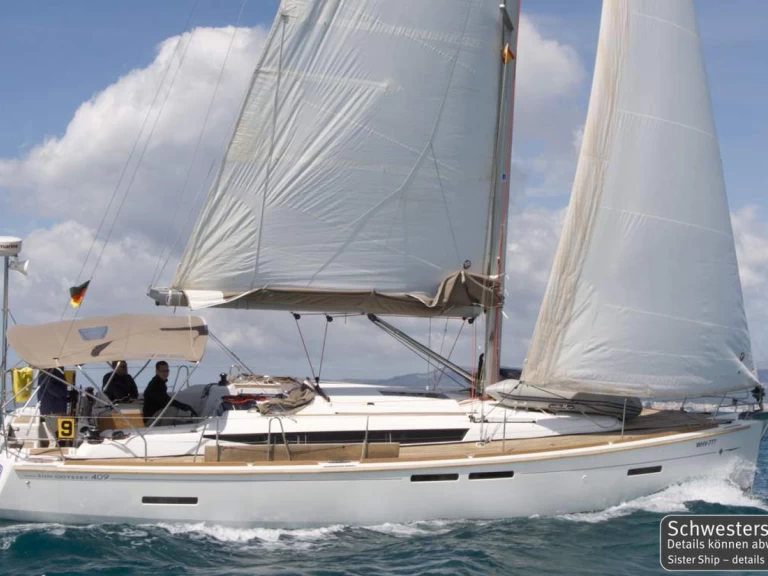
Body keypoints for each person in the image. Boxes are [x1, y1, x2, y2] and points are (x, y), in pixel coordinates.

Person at [142, 361, 196, 425]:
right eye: (163, 371)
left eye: (167, 371)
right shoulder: (155, 384)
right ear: (157, 371)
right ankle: (163, 431)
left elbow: (165, 399)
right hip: (150, 422)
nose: (165, 373)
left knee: (184, 424)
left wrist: (184, 407)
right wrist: (184, 407)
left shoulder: (159, 383)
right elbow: (166, 401)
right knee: (173, 409)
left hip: (156, 418)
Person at [37, 367, 68, 447]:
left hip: (51, 407)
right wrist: (64, 393)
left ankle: (59, 448)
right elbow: (50, 387)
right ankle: (57, 451)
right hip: (54, 408)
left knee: (59, 434)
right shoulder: (53, 370)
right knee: (56, 435)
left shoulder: (44, 370)